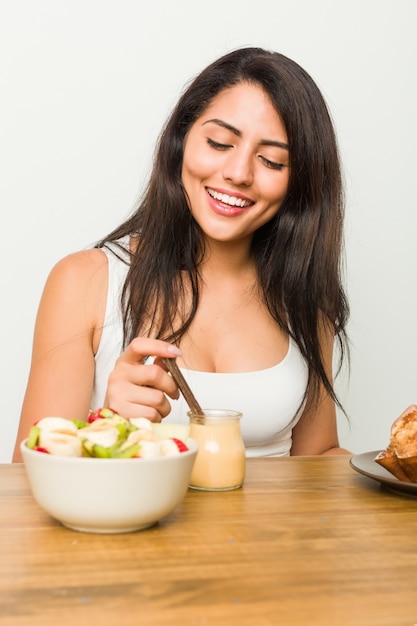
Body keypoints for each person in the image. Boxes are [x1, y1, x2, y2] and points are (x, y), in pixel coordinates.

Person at [13, 46, 352, 462]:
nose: (238, 173)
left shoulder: (303, 301)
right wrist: (109, 422)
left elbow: (318, 462)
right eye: (219, 142)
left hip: (274, 531)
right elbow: (29, 479)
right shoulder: (85, 282)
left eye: (271, 161)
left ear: (299, 183)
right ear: (181, 141)